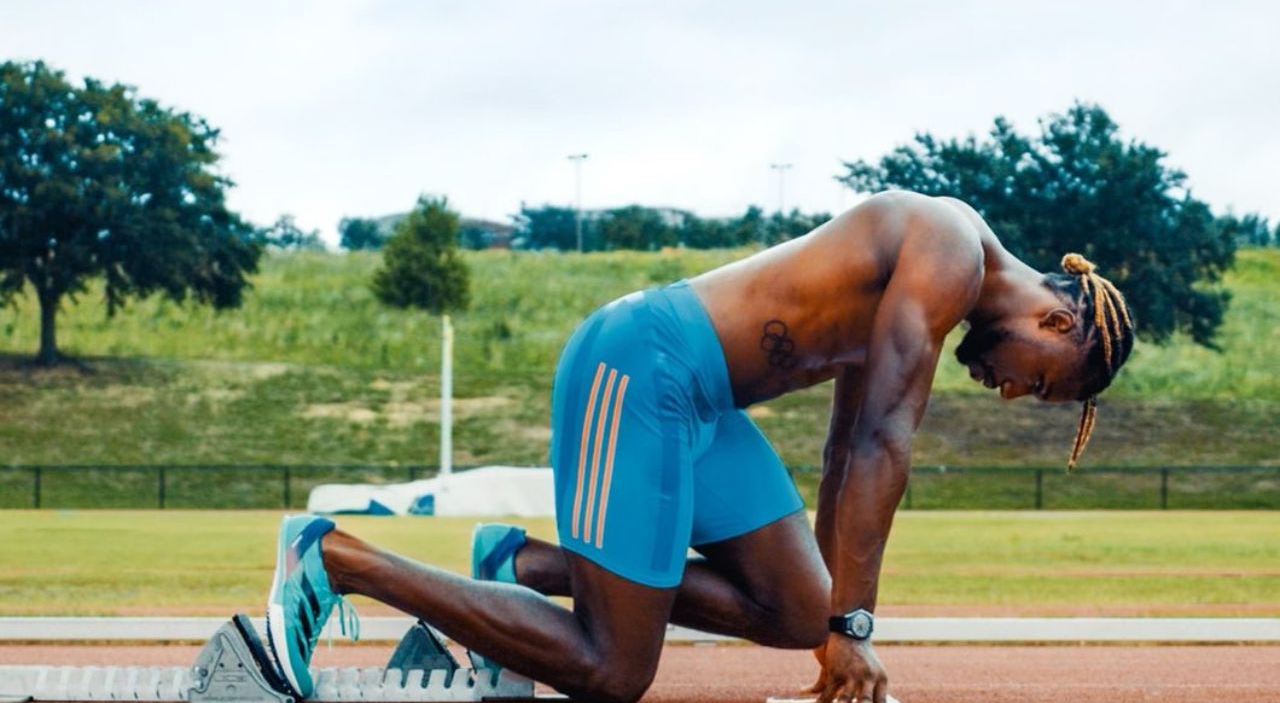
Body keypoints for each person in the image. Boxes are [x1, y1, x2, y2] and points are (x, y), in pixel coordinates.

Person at [264, 191, 1135, 703]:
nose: (1017, 391)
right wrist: (857, 628)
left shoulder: (935, 282)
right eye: (1044, 380)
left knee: (799, 611)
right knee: (614, 671)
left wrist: (836, 624)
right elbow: (882, 441)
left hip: (705, 404)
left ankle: (522, 565)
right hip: (642, 365)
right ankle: (337, 558)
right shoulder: (947, 247)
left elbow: (845, 455)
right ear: (1056, 320)